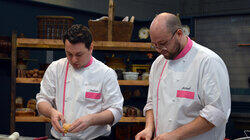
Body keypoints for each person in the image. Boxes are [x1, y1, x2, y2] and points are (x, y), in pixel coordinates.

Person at [135, 13, 231, 140]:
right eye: (155, 45)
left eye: (163, 43)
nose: (159, 49)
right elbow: (152, 103)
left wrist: (174, 135)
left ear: (179, 34)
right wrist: (149, 128)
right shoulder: (158, 63)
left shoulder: (208, 61)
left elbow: (217, 113)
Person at [36, 24, 124, 139]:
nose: (73, 60)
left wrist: (91, 120)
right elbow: (42, 100)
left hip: (94, 138)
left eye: (79, 54)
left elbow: (116, 111)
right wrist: (51, 112)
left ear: (91, 48)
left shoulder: (106, 73)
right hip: (59, 137)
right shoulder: (55, 68)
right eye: (69, 54)